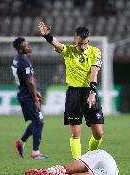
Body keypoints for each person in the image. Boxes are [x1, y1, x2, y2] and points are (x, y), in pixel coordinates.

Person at [38, 21, 104, 160]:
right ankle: (79, 163)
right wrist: (47, 36)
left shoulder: (95, 51)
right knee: (75, 134)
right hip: (73, 94)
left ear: (88, 41)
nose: (82, 46)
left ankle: (90, 157)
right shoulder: (69, 51)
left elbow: (94, 72)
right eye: (80, 43)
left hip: (90, 92)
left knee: (99, 134)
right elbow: (56, 44)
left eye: (85, 43)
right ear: (75, 40)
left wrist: (92, 92)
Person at [11, 37, 49, 159]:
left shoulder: (17, 59)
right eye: (26, 46)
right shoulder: (24, 62)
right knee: (39, 121)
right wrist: (35, 99)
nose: (29, 46)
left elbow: (27, 81)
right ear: (21, 50)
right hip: (27, 96)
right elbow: (30, 82)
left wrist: (36, 91)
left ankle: (20, 144)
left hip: (24, 94)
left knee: (37, 121)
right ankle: (35, 152)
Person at [25, 149, 119, 175]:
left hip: (102, 157)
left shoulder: (96, 155)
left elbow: (77, 167)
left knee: (66, 169)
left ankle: (51, 172)